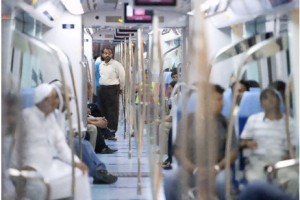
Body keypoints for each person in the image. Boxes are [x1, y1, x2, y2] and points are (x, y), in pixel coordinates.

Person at [15, 83, 91, 200]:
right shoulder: (26, 117)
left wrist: (76, 162)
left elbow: (61, 145)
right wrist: (23, 167)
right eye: (54, 98)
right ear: (44, 100)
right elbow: (14, 147)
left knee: (80, 175)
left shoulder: (51, 118)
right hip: (31, 168)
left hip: (49, 165)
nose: (57, 101)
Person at [164, 84, 238, 200]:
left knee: (221, 183)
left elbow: (233, 152)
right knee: (169, 179)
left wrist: (217, 168)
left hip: (217, 170)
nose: (222, 103)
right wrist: (194, 169)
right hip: (190, 170)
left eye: (222, 99)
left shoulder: (226, 123)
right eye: (218, 100)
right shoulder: (188, 121)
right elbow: (178, 150)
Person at [50, 81, 118, 183]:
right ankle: (98, 170)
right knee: (82, 144)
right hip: (54, 143)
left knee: (84, 143)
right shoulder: (46, 115)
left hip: (60, 140)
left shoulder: (58, 113)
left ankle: (98, 168)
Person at [239, 87, 298, 194]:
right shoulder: (253, 120)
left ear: (279, 100)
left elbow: (292, 149)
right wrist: (248, 143)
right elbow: (241, 142)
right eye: (265, 98)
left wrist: (288, 157)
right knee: (257, 184)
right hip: (258, 162)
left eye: (273, 96)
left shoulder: (289, 123)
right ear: (261, 104)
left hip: (281, 163)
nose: (270, 99)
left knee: (294, 180)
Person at [97, 46, 125, 141]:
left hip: (113, 89)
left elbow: (122, 77)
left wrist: (121, 88)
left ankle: (112, 132)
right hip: (102, 89)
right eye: (105, 53)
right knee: (102, 111)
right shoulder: (101, 65)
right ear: (102, 54)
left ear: (112, 54)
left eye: (109, 53)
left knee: (112, 112)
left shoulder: (116, 65)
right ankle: (104, 131)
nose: (107, 54)